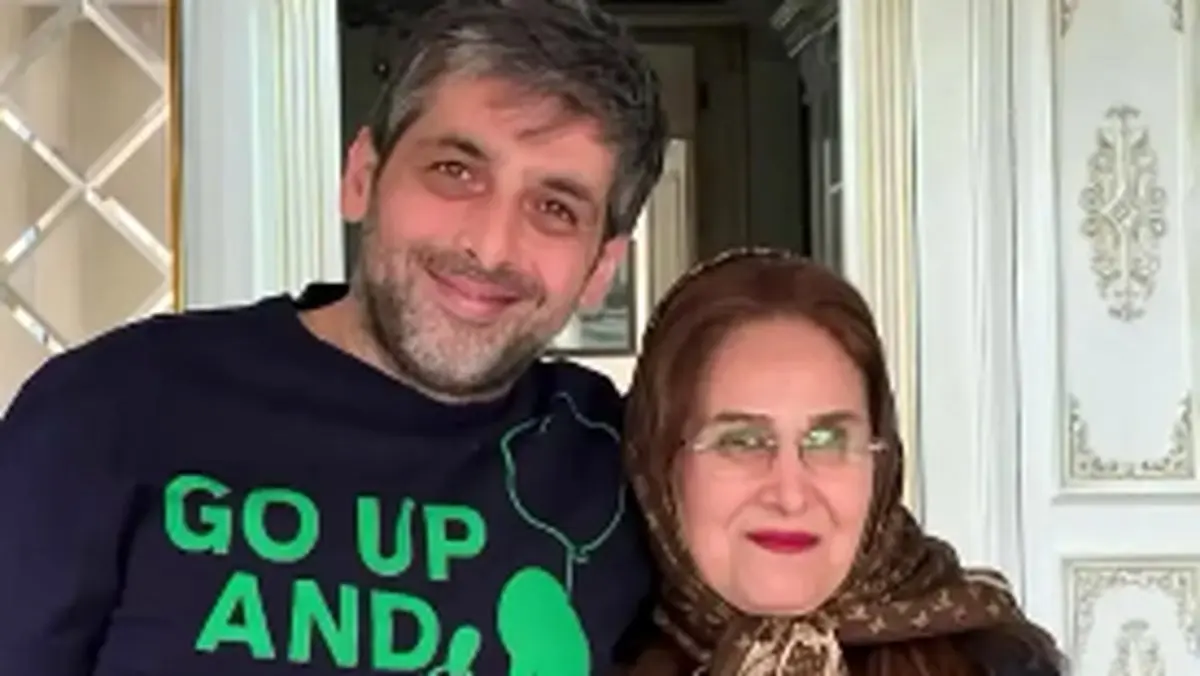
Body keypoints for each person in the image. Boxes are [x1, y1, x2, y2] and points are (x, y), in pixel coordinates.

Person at [0, 1, 666, 674]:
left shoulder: (633, 470)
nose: (491, 247)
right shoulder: (109, 409)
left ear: (600, 268)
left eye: (555, 208)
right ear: (361, 178)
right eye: (455, 171)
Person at [620, 249, 1065, 675]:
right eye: (742, 441)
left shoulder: (994, 664)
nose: (790, 495)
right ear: (661, 464)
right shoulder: (598, 650)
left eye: (827, 440)